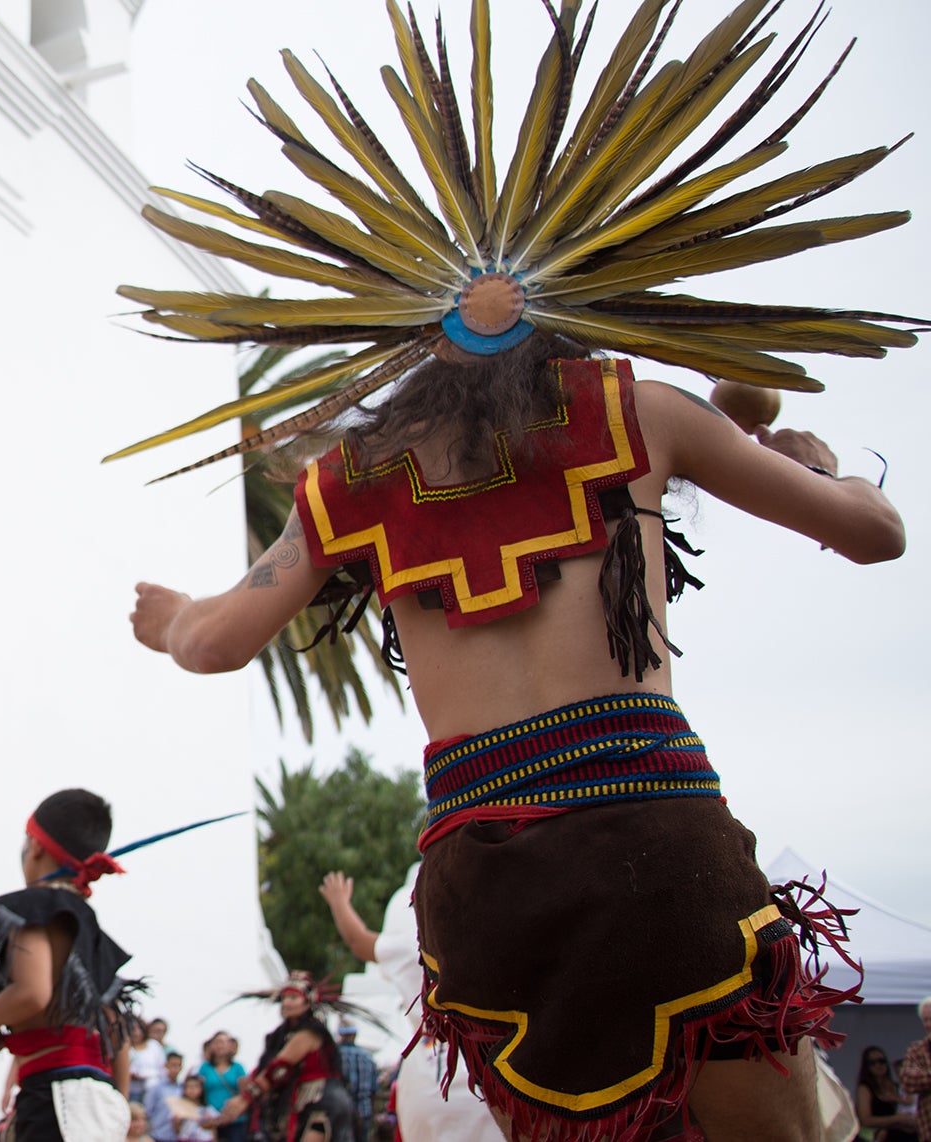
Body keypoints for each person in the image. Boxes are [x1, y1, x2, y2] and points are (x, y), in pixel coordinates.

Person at [120, 6, 913, 1137]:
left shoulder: (346, 483)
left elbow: (210, 643)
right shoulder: (640, 412)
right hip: (652, 837)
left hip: (485, 884)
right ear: (575, 298)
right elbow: (874, 532)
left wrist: (166, 619)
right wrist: (821, 466)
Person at [0, 788, 138, 1142]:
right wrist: (117, 1100)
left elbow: (32, 992)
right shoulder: (91, 929)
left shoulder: (34, 909)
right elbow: (116, 1029)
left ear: (36, 845)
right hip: (97, 1102)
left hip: (56, 1100)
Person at [317, 868, 500, 1142]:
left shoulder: (415, 944)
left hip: (432, 1071)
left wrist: (339, 902)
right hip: (487, 1070)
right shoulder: (498, 939)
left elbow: (358, 941)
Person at [203, 974, 358, 1142]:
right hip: (301, 1103)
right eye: (284, 998)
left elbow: (278, 1067)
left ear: (308, 1002)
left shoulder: (311, 1032)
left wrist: (245, 1098)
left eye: (293, 998)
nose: (286, 1003)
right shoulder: (280, 1035)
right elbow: (267, 1067)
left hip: (322, 1102)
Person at [856, 1046, 919, 1142]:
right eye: (872, 1063)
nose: (878, 1065)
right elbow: (866, 1120)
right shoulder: (865, 1088)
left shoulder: (897, 1087)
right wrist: (897, 1119)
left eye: (881, 1061)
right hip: (881, 1136)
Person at [195, 1031, 247, 1142]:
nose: (220, 1045)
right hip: (212, 1121)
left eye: (224, 1042)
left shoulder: (238, 1068)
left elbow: (244, 1093)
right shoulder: (205, 1068)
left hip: (235, 1120)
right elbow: (198, 1091)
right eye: (217, 1042)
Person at [334, 1026, 377, 1138]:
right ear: (354, 1036)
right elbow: (373, 1091)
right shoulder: (367, 1058)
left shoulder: (335, 1055)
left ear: (341, 1036)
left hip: (339, 1111)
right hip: (363, 1111)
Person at [901, 997, 931, 1142]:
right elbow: (908, 1081)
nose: (929, 1024)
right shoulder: (917, 1050)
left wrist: (925, 1075)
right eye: (925, 1020)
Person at [144, 1050, 186, 1141]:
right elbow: (147, 1111)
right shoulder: (156, 1087)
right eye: (173, 1065)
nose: (175, 1069)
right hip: (157, 1135)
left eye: (178, 1065)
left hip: (175, 1136)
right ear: (166, 1065)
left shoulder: (182, 1089)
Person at [172, 1073, 216, 1142]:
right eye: (189, 1087)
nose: (192, 1090)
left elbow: (213, 1129)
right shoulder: (179, 1109)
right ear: (184, 1090)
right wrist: (177, 1121)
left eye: (196, 1086)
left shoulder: (208, 1109)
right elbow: (176, 1130)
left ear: (202, 1089)